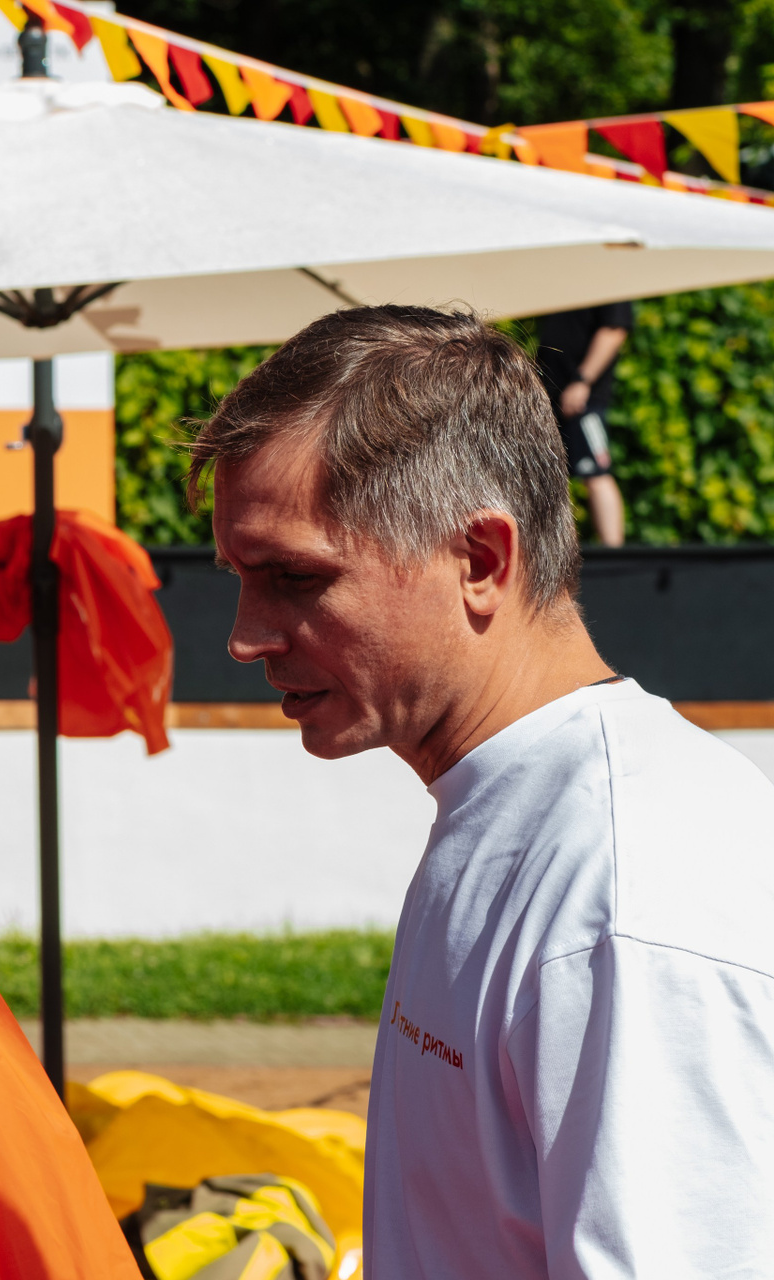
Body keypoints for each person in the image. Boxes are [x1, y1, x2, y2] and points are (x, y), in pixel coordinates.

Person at [191, 306, 774, 1278]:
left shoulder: (625, 893)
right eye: (240, 578)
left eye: (294, 576)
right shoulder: (520, 807)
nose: (245, 636)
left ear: (480, 561)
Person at [536, 301, 631, 546]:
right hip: (550, 395)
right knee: (551, 479)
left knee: (596, 473)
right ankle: (559, 552)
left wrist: (582, 380)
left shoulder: (609, 285)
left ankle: (614, 552)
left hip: (581, 398)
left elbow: (614, 330)